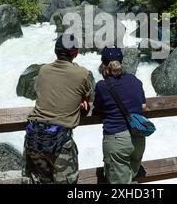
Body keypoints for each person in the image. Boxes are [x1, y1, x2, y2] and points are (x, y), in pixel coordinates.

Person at [22, 34, 94, 184]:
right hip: (59, 142)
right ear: (75, 53)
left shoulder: (43, 70)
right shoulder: (82, 74)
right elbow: (88, 100)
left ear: (56, 51)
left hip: (34, 138)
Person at [92, 47, 147, 184]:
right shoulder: (135, 80)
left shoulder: (102, 86)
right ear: (121, 62)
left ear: (103, 65)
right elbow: (143, 106)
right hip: (138, 136)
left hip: (117, 139)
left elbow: (98, 108)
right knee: (131, 177)